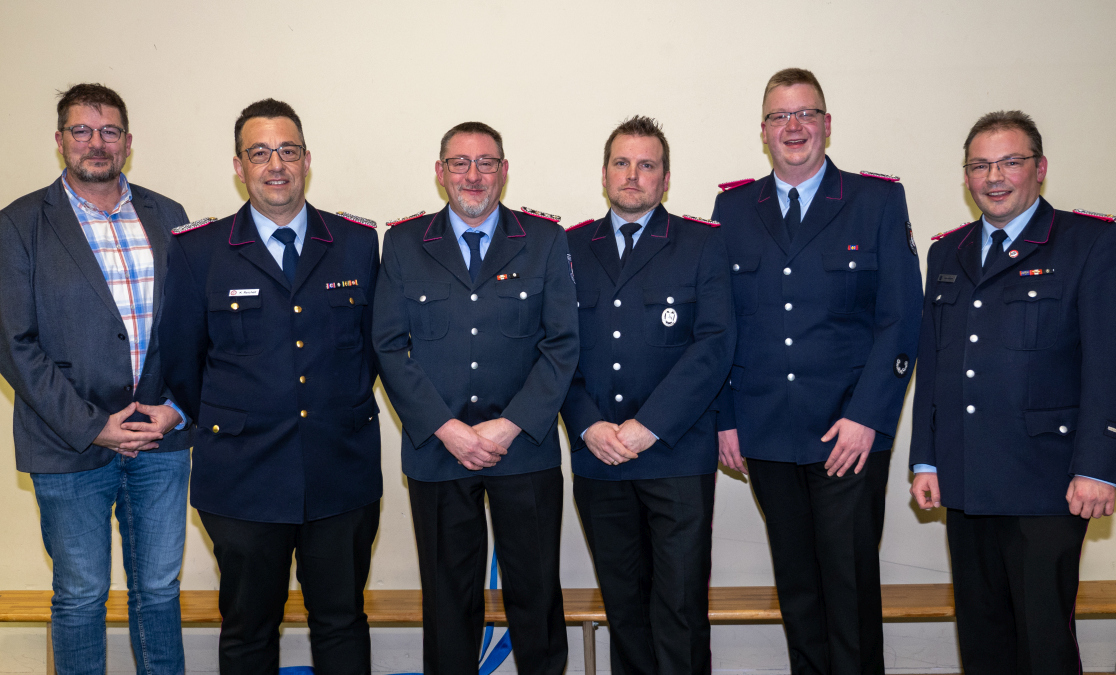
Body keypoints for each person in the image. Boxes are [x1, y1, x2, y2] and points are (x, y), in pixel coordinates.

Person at [908, 110, 1116, 675]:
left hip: (1049, 481)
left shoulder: (1094, 242)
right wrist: (925, 456)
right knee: (983, 636)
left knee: (1044, 640)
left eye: (1010, 162)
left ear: (1039, 168)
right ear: (965, 176)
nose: (995, 177)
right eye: (980, 165)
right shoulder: (948, 252)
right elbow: (936, 367)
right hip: (966, 477)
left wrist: (1100, 467)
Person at [710, 68, 923, 674]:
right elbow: (720, 323)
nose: (794, 127)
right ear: (763, 131)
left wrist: (867, 417)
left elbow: (901, 319)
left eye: (806, 114)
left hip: (847, 434)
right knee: (798, 589)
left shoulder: (875, 201)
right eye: (781, 117)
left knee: (850, 591)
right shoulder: (732, 207)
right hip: (767, 430)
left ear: (828, 125)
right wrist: (726, 419)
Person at [160, 99, 382, 675]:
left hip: (341, 472)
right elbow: (184, 364)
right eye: (259, 153)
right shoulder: (196, 251)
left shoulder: (357, 244)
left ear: (307, 159)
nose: (275, 165)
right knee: (248, 630)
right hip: (242, 476)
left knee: (340, 622)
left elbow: (374, 350)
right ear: (239, 166)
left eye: (287, 151)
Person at [0, 83, 192, 675]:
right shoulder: (20, 223)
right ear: (59, 141)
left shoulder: (168, 215)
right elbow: (13, 342)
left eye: (109, 131)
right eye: (82, 130)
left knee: (158, 591)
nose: (96, 143)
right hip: (68, 443)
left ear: (127, 141)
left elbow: (193, 326)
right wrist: (92, 426)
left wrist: (176, 408)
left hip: (160, 439)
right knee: (80, 596)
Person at [372, 121, 578, 675]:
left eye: (486, 162)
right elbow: (389, 347)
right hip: (439, 452)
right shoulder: (404, 243)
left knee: (535, 597)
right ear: (440, 173)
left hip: (524, 451)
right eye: (459, 162)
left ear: (505, 172)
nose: (473, 174)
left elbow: (562, 345)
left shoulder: (543, 240)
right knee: (447, 602)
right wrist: (448, 429)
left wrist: (508, 426)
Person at [560, 115, 734, 674]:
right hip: (599, 458)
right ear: (605, 172)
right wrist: (587, 425)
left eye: (647, 165)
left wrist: (646, 426)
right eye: (621, 163)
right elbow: (554, 346)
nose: (632, 175)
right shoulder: (566, 248)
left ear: (664, 179)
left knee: (680, 608)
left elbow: (713, 346)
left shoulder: (701, 243)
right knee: (624, 608)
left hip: (675, 457)